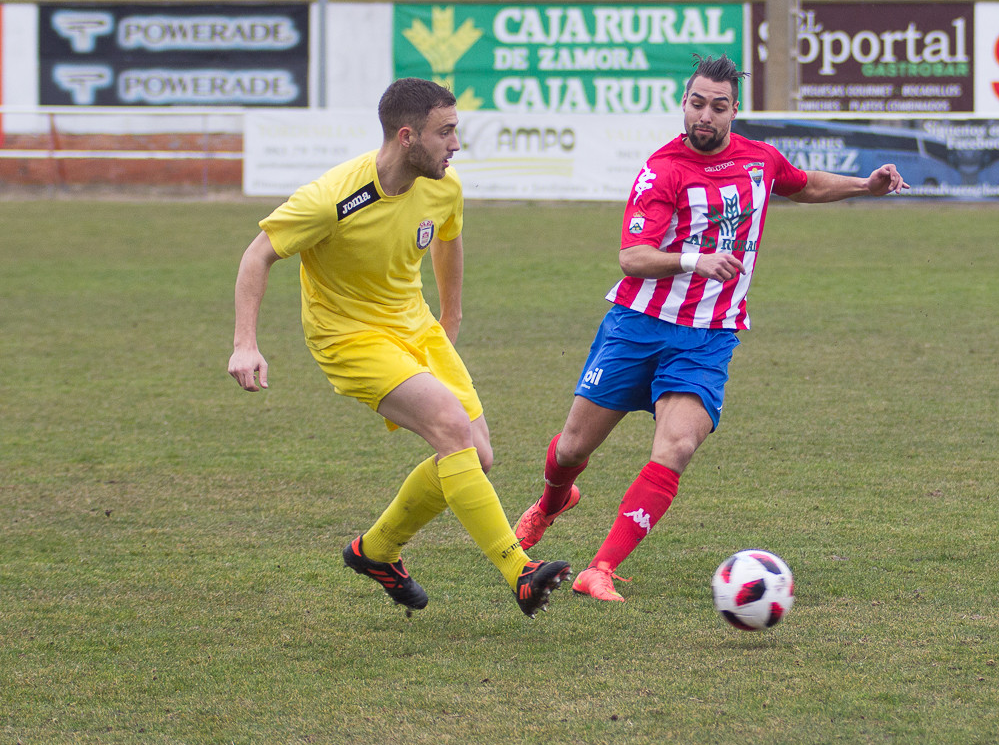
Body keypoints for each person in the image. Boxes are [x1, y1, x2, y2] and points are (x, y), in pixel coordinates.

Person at [513, 55, 908, 602]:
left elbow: (803, 184)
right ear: (684, 104)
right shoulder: (662, 170)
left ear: (734, 111)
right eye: (697, 103)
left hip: (708, 335)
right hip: (637, 327)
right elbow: (633, 257)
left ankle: (598, 568)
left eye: (718, 106)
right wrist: (694, 260)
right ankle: (553, 500)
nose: (705, 115)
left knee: (676, 445)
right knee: (572, 448)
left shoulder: (759, 159)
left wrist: (865, 185)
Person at [228, 77, 571, 618]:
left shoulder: (443, 184)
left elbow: (448, 241)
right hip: (347, 335)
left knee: (477, 456)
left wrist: (449, 318)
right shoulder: (333, 198)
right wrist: (245, 343)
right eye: (446, 132)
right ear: (407, 136)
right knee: (451, 430)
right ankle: (519, 570)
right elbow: (258, 254)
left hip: (414, 327)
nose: (456, 144)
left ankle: (376, 550)